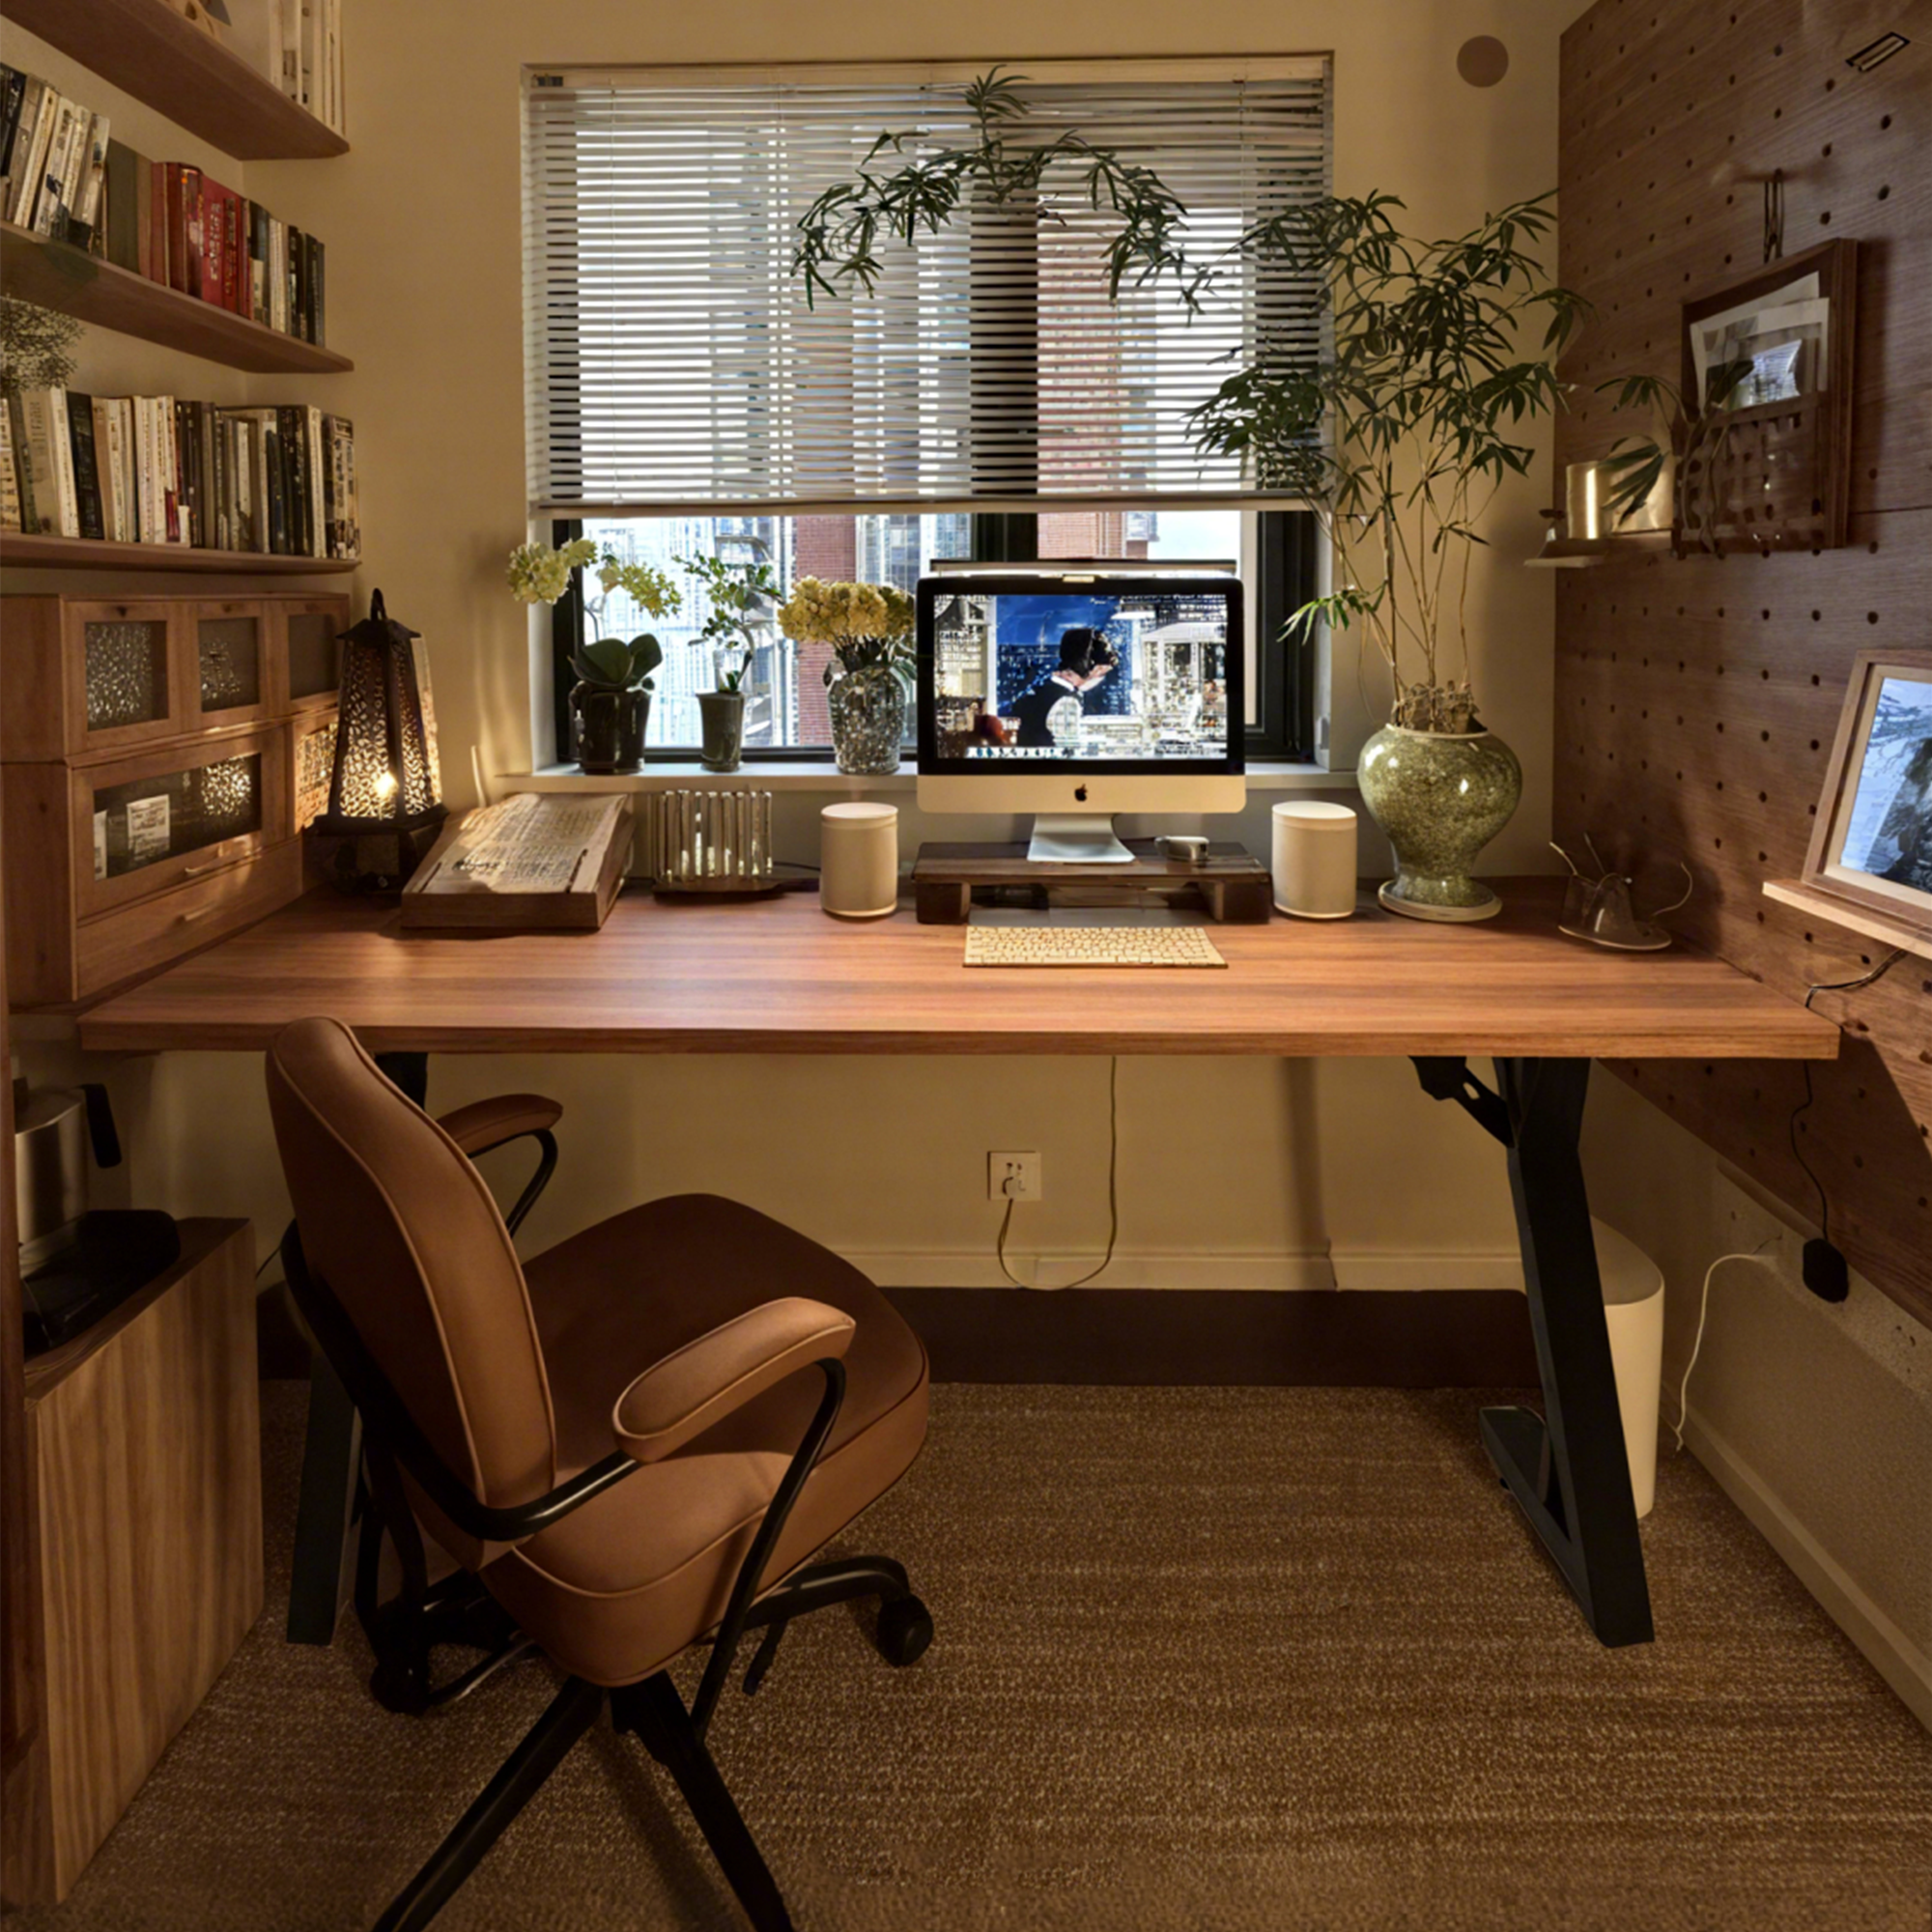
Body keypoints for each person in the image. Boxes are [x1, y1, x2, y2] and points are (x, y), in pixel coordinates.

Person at [1008, 628, 1118, 749]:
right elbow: (1068, 753)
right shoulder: (1067, 702)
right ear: (1096, 668)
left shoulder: (1040, 690)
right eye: (1102, 672)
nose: (1100, 677)